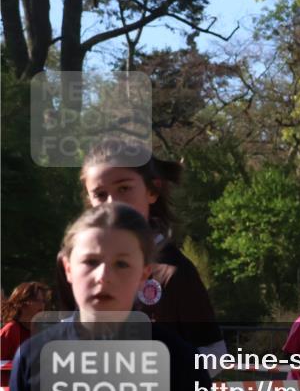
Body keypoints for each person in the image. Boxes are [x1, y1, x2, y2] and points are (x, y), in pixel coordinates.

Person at [0, 203, 221, 391]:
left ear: (144, 274)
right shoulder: (34, 354)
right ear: (68, 268)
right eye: (90, 261)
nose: (103, 276)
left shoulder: (176, 356)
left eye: (122, 264)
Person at [56, 140, 225, 366]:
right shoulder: (74, 264)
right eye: (100, 194)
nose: (113, 202)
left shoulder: (173, 271)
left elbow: (215, 353)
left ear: (152, 190)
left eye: (124, 189)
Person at [0, 282, 50, 388]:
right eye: (37, 300)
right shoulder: (11, 330)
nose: (42, 305)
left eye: (43, 301)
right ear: (22, 303)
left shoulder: (41, 332)